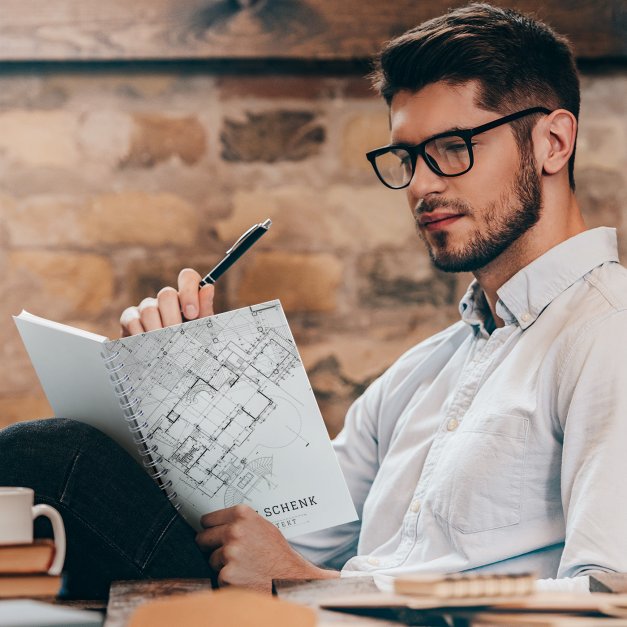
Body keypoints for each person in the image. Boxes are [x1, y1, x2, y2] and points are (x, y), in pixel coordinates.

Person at [2, 2, 627, 598]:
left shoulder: (607, 334)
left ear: (552, 143)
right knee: (49, 475)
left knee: (53, 457)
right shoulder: (422, 372)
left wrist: (316, 591)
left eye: (453, 148)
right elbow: (283, 537)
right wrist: (189, 387)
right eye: (407, 157)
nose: (422, 185)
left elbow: (609, 599)